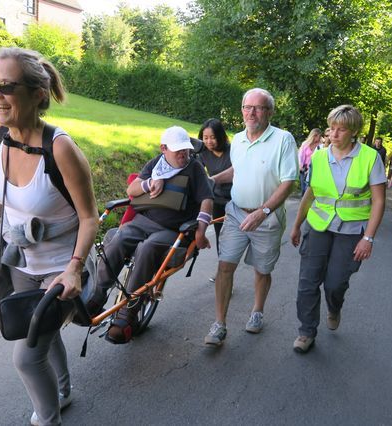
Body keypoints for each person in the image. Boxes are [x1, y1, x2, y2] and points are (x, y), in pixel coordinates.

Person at [0, 47, 98, 426]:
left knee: (27, 355)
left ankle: (47, 419)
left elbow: (89, 218)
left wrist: (75, 269)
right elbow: (0, 193)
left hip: (62, 269)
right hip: (21, 263)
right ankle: (62, 390)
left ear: (37, 94)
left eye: (7, 87)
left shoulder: (60, 149)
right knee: (40, 331)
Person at [92, 126, 214, 344]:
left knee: (147, 248)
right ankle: (95, 296)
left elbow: (206, 200)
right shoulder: (156, 163)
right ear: (163, 149)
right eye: (177, 151)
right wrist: (150, 183)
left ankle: (126, 317)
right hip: (143, 221)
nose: (183, 154)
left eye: (185, 150)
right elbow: (132, 190)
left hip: (172, 230)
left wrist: (201, 233)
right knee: (120, 237)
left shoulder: (194, 168)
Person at [204, 88, 299, 346]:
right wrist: (211, 180)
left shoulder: (283, 139)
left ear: (269, 112)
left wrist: (263, 211)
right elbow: (238, 170)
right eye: (247, 107)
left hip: (266, 219)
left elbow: (289, 181)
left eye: (258, 108)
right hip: (236, 213)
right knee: (225, 265)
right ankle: (219, 324)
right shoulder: (238, 139)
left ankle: (257, 311)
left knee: (262, 269)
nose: (251, 113)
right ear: (242, 110)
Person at [289, 105, 386, 354]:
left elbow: (378, 200)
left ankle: (334, 306)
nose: (334, 134)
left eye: (341, 129)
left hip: (351, 230)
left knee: (334, 283)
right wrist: (298, 224)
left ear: (353, 132)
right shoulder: (320, 156)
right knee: (308, 282)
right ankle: (306, 331)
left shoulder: (370, 157)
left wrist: (368, 238)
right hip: (318, 225)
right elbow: (310, 193)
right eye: (332, 128)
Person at [197, 118, 232, 255]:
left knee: (236, 235)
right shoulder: (203, 152)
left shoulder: (233, 150)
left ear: (220, 137)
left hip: (236, 199)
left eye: (212, 137)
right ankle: (222, 269)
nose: (209, 141)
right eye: (205, 138)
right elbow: (197, 172)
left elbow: (237, 172)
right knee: (220, 235)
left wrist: (210, 180)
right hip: (217, 199)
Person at [298, 128, 322, 195]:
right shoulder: (305, 144)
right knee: (303, 189)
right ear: (313, 135)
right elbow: (300, 156)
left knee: (309, 189)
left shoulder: (320, 146)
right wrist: (301, 167)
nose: (318, 137)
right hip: (304, 169)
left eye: (319, 136)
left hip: (314, 169)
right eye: (317, 135)